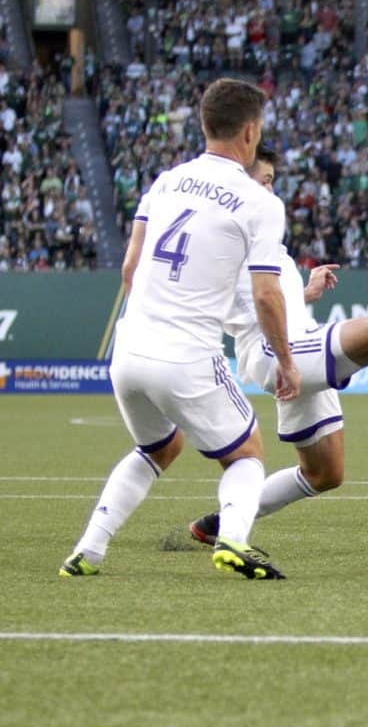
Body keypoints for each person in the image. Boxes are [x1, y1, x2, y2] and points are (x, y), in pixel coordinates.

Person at [59, 78, 298, 580]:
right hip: (186, 354)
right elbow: (266, 294)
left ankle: (89, 549)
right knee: (247, 454)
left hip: (128, 352)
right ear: (251, 131)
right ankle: (233, 539)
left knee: (158, 448)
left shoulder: (165, 181)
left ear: (205, 124)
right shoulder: (260, 201)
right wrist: (287, 363)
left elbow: (130, 269)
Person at [187, 146, 368, 545]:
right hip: (277, 351)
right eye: (264, 180)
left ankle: (223, 522)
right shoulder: (231, 233)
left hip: (290, 345)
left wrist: (304, 293)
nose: (271, 190)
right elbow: (249, 304)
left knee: (324, 475)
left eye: (273, 181)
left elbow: (262, 299)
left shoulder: (259, 233)